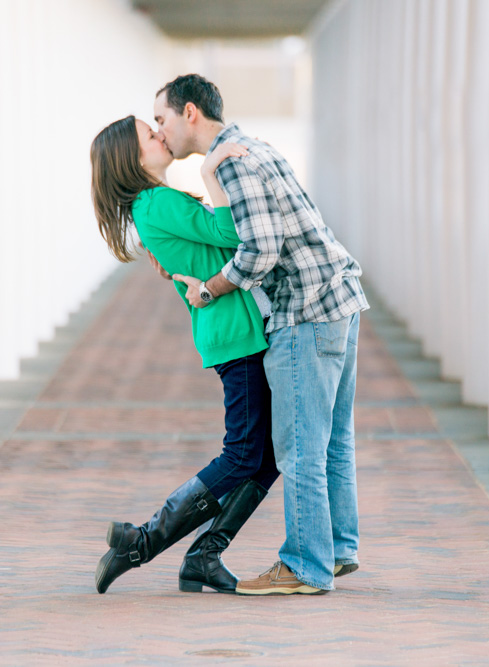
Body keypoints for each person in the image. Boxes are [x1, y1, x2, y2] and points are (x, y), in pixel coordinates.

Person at [152, 74, 370, 595]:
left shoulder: (226, 162)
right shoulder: (251, 148)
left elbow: (260, 251)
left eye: (160, 120)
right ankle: (336, 550)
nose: (160, 133)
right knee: (332, 441)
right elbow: (251, 231)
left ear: (188, 113)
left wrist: (208, 289)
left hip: (305, 311)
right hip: (338, 299)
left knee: (298, 448)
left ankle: (305, 566)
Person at [89, 115, 279, 595]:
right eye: (148, 135)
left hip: (233, 331)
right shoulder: (155, 202)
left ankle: (202, 555)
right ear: (132, 159)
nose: (160, 135)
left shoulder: (154, 205)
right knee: (242, 455)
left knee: (266, 455)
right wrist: (211, 174)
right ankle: (143, 542)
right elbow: (236, 233)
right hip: (235, 335)